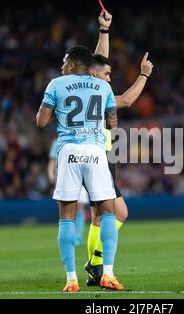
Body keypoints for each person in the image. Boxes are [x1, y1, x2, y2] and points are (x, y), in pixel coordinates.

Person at [36, 45, 124, 292]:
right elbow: (112, 121)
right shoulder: (104, 86)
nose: (61, 67)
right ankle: (107, 274)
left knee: (66, 216)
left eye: (64, 62)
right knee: (107, 212)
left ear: (73, 65)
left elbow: (41, 122)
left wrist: (58, 113)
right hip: (96, 151)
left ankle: (71, 279)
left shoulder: (56, 84)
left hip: (69, 152)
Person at [83, 10, 154, 286]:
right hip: (97, 156)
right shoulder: (94, 91)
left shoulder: (89, 87)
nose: (109, 78)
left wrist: (104, 30)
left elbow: (100, 63)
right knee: (119, 213)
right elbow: (124, 101)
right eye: (107, 75)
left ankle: (96, 270)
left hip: (96, 155)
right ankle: (96, 263)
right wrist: (144, 76)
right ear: (94, 75)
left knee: (98, 217)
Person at [47, 138, 88, 246]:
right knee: (66, 208)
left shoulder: (82, 139)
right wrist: (52, 176)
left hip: (80, 176)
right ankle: (69, 236)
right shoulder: (57, 143)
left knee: (80, 206)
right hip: (64, 178)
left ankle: (78, 236)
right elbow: (52, 161)